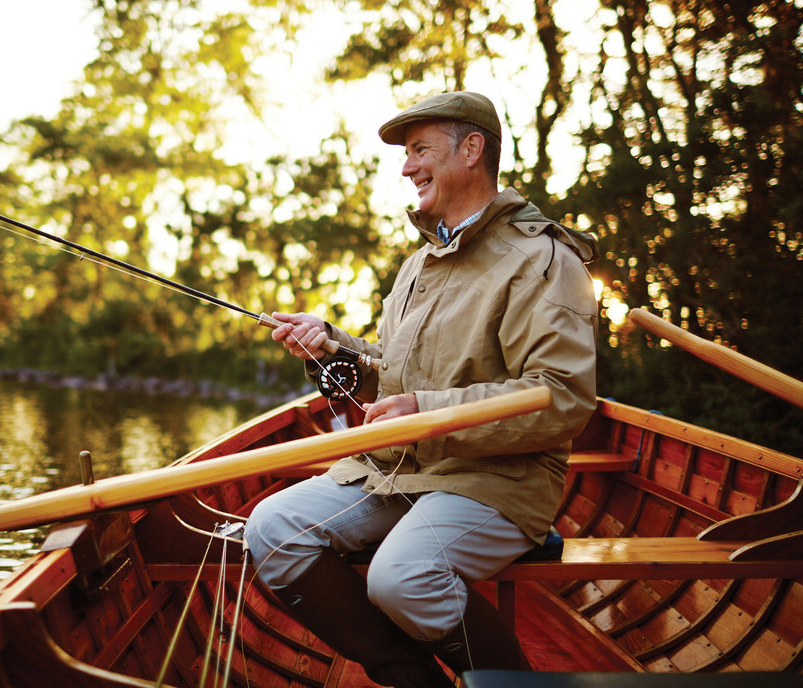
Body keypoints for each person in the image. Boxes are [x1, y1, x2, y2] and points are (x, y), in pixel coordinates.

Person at [243, 91, 598, 687]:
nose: (406, 167)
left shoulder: (541, 257)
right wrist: (331, 346)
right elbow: (396, 373)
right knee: (272, 527)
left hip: (496, 479)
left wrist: (426, 410)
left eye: (419, 150)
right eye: (407, 155)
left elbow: (560, 397)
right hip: (397, 471)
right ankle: (414, 680)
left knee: (401, 576)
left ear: (472, 149)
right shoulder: (419, 263)